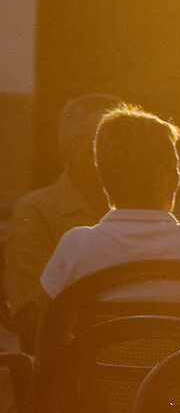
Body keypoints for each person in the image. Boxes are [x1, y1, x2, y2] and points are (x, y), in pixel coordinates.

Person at [39, 104, 180, 300]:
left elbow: (48, 321)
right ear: (163, 177)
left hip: (107, 339)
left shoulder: (76, 245)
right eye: (178, 169)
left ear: (102, 176)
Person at [3, 94, 121, 336]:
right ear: (75, 146)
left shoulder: (144, 207)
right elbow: (31, 309)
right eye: (112, 140)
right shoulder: (38, 210)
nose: (125, 150)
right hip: (72, 359)